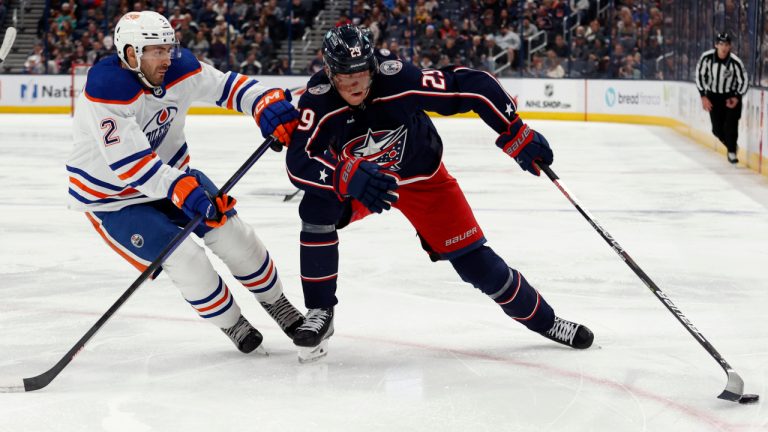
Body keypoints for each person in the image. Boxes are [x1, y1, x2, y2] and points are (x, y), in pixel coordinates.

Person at [284, 25, 594, 363]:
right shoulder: (318, 99)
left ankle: (546, 321)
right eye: (345, 76)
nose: (355, 83)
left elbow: (472, 86)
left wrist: (514, 130)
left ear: (373, 66)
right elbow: (299, 161)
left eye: (361, 72)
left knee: (476, 265)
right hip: (362, 181)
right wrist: (343, 175)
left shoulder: (399, 80)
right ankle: (320, 311)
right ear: (330, 73)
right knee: (315, 209)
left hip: (423, 179)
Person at [67, 11, 305, 354]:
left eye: (168, 49)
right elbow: (131, 166)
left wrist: (262, 104)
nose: (166, 58)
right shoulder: (107, 90)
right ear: (131, 53)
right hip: (113, 198)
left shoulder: (180, 69)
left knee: (232, 233)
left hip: (171, 175)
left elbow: (228, 86)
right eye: (155, 51)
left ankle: (278, 304)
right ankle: (233, 324)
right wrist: (179, 188)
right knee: (185, 258)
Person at [695, 32, 749, 164]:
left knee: (731, 124)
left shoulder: (735, 62)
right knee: (717, 129)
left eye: (726, 44)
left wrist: (736, 97)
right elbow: (699, 76)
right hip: (713, 96)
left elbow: (744, 80)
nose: (723, 47)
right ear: (716, 45)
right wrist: (703, 96)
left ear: (730, 46)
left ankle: (731, 152)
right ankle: (731, 146)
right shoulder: (706, 58)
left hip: (731, 96)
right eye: (721, 44)